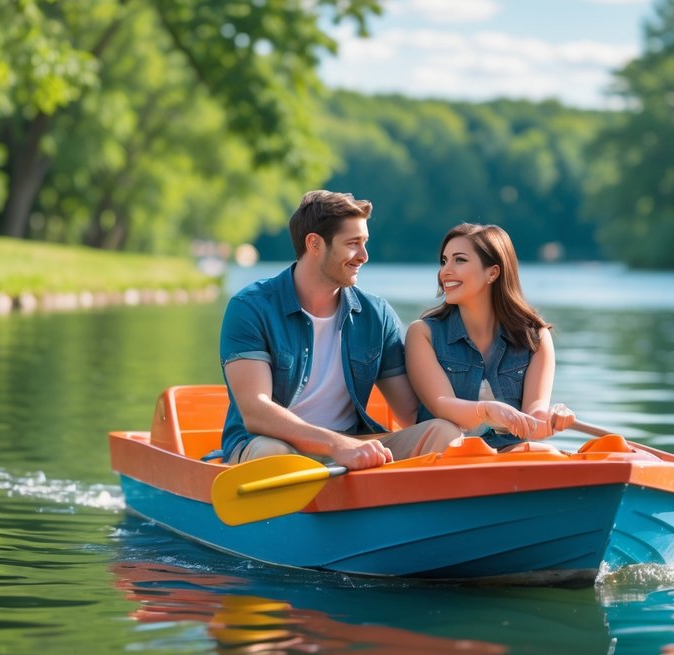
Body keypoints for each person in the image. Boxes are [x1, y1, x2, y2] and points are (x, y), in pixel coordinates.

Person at [220, 190, 460, 470]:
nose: (364, 256)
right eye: (353, 243)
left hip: (351, 446)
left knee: (444, 432)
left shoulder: (376, 314)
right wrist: (337, 445)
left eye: (365, 242)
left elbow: (410, 412)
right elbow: (256, 412)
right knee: (271, 454)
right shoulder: (251, 307)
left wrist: (485, 413)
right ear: (315, 244)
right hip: (272, 443)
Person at [405, 223, 576, 451]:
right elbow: (440, 405)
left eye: (460, 260)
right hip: (446, 452)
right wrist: (485, 409)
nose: (445, 271)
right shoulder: (423, 333)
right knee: (447, 436)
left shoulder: (536, 338)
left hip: (506, 451)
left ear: (493, 272)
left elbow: (534, 418)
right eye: (444, 261)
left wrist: (552, 418)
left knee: (546, 453)